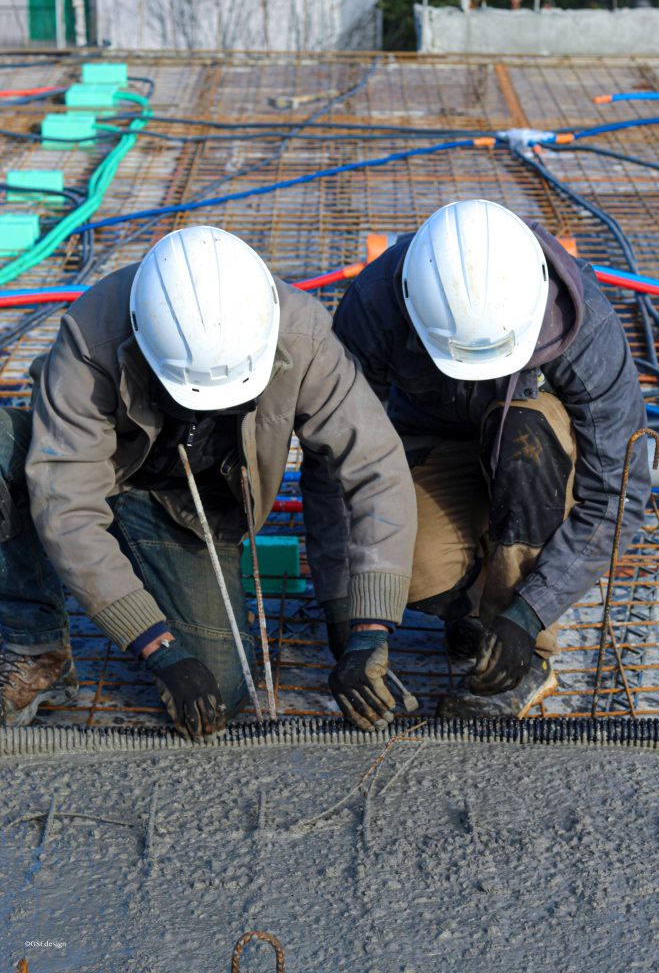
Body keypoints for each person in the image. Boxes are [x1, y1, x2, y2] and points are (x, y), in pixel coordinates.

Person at [0, 225, 416, 737]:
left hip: (189, 510)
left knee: (219, 689)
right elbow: (65, 501)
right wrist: (157, 647)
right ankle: (37, 647)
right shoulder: (94, 334)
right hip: (110, 474)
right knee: (4, 447)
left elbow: (377, 468)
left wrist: (368, 626)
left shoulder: (302, 337)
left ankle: (144, 566)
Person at [302, 198, 651, 719]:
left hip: (530, 447)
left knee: (524, 436)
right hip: (433, 442)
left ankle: (525, 654)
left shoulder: (582, 322)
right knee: (410, 571)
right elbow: (334, 459)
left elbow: (618, 495)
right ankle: (469, 608)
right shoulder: (376, 304)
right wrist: (342, 608)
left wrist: (530, 614)